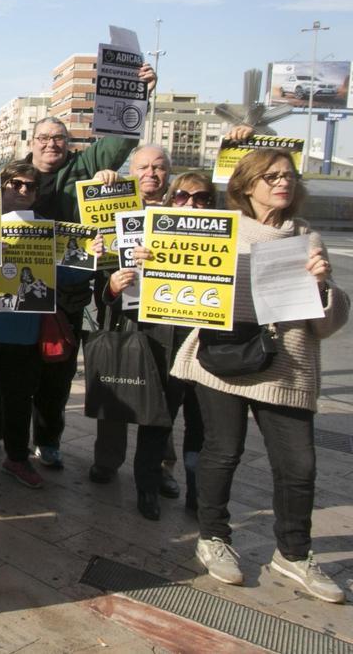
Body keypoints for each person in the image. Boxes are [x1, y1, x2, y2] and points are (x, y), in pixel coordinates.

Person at [169, 148, 348, 603]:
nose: (281, 183)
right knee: (222, 452)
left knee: (298, 466)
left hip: (288, 366)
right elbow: (181, 296)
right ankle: (213, 536)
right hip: (224, 361)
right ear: (247, 185)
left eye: (287, 176)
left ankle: (294, 552)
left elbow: (325, 325)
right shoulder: (223, 233)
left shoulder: (308, 238)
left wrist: (323, 288)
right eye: (270, 177)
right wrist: (159, 264)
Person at [0, 63, 158, 469]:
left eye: (60, 139)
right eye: (45, 138)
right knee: (6, 373)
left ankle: (48, 439)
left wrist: (139, 96)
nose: (52, 144)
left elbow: (121, 140)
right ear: (31, 142)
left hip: (65, 292)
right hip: (14, 288)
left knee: (56, 373)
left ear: (68, 144)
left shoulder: (84, 168)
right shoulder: (11, 175)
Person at [0, 161, 102, 489]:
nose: (23, 191)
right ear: (1, 187)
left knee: (18, 397)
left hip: (22, 331)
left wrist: (90, 258)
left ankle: (16, 458)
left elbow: (66, 275)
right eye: (16, 184)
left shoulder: (47, 229)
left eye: (30, 186)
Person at [94, 170, 214, 520]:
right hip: (163, 343)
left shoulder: (233, 239)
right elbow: (115, 296)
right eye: (182, 197)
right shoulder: (143, 233)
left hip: (212, 346)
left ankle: (199, 493)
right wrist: (118, 281)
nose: (191, 204)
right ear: (169, 199)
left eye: (201, 198)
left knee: (204, 426)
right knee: (157, 421)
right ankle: (146, 489)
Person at [89, 144, 184, 498]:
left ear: (168, 173)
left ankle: (161, 466)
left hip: (172, 320)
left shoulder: (184, 209)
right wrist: (110, 284)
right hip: (122, 317)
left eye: (158, 167)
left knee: (165, 397)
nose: (151, 174)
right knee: (115, 388)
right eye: (143, 167)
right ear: (131, 172)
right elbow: (94, 270)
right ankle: (107, 460)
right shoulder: (112, 210)